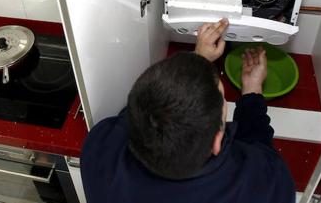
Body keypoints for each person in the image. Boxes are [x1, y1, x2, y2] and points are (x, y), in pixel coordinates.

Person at [80, 19, 295, 203]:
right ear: (216, 142)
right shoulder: (268, 186)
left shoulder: (99, 156)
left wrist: (198, 60)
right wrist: (252, 90)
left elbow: (132, 118)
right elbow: (258, 145)